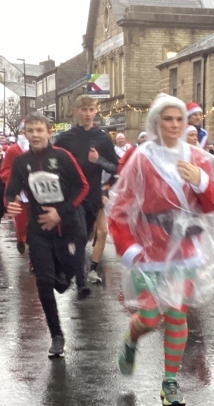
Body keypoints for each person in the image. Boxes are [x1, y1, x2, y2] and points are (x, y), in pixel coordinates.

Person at [109, 94, 214, 406]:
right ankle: (131, 338)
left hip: (184, 250)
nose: (174, 125)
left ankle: (170, 381)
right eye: (168, 119)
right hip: (148, 251)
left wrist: (200, 181)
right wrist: (128, 248)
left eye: (179, 119)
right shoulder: (141, 158)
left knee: (176, 316)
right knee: (149, 318)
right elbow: (118, 208)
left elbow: (212, 206)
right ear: (156, 122)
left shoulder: (196, 157)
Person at [6, 113, 90, 357]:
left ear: (48, 132)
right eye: (30, 130)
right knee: (43, 281)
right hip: (39, 229)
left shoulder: (62, 157)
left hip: (68, 226)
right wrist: (9, 203)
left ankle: (67, 276)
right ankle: (56, 335)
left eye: (39, 130)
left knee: (65, 279)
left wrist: (60, 213)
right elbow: (11, 191)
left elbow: (82, 187)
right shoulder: (21, 162)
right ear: (25, 134)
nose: (35, 134)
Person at [54, 96, 121, 294]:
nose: (88, 113)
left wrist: (98, 160)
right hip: (73, 195)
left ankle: (70, 268)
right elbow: (53, 160)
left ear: (96, 111)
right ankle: (81, 281)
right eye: (84, 109)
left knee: (87, 234)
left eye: (91, 109)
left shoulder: (102, 137)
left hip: (93, 194)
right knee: (81, 235)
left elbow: (115, 166)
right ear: (77, 111)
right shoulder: (66, 138)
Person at [0, 125, 31, 257]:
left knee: (35, 228)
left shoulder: (37, 150)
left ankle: (33, 260)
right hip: (20, 194)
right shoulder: (13, 150)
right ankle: (21, 239)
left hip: (36, 194)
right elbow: (5, 171)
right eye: (25, 130)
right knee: (22, 223)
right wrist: (16, 183)